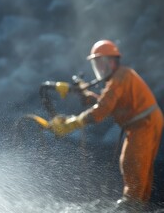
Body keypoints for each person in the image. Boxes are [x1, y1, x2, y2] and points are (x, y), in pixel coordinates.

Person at [49, 39, 163, 208]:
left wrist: (73, 123)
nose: (100, 68)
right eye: (97, 64)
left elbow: (102, 109)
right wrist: (87, 96)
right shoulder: (120, 77)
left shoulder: (120, 78)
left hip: (144, 124)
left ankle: (132, 204)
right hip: (145, 122)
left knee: (132, 162)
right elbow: (108, 103)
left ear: (111, 62)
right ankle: (139, 203)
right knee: (140, 165)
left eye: (101, 63)